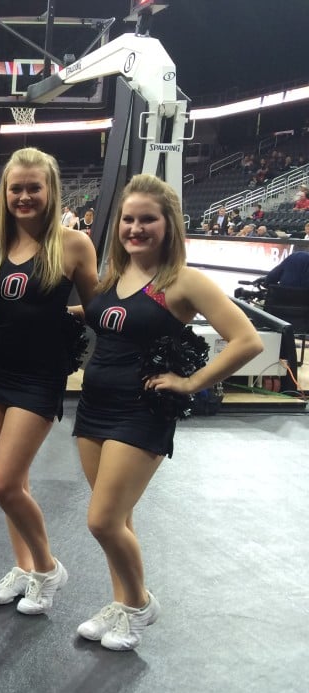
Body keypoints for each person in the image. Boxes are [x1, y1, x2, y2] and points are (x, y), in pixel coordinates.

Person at [73, 174, 263, 650]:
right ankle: (121, 602)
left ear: (169, 224)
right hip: (95, 406)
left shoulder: (182, 281)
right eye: (129, 220)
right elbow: (108, 318)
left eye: (147, 220)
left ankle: (139, 604)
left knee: (102, 521)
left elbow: (247, 341)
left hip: (141, 411)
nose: (136, 228)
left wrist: (192, 383)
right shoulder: (114, 275)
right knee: (119, 518)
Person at [0, 147, 98, 614]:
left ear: (51, 191)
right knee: (17, 482)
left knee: (4, 482)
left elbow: (99, 306)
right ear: (5, 194)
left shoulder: (73, 244)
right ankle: (24, 567)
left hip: (38, 377)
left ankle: (47, 568)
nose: (24, 196)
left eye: (33, 188)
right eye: (16, 188)